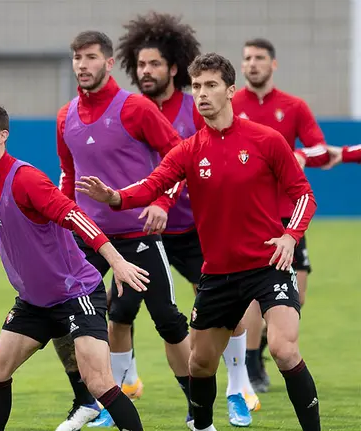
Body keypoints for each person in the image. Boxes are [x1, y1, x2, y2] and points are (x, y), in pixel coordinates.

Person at [76, 52, 321, 431]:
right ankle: (203, 426)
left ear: (231, 91)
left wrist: (290, 236)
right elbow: (153, 185)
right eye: (197, 86)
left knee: (284, 350)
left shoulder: (266, 140)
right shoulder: (189, 150)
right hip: (219, 275)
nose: (202, 93)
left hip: (268, 265)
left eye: (210, 85)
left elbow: (303, 193)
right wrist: (115, 197)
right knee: (200, 364)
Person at [0, 101, 148, 431]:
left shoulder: (25, 179)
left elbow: (74, 215)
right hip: (35, 303)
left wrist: (116, 261)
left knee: (99, 382)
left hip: (77, 295)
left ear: (2, 136)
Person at [113, 12, 259, 427]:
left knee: (225, 310)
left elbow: (192, 160)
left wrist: (164, 200)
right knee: (121, 311)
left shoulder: (195, 106)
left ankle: (239, 386)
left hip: (195, 229)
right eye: (140, 64)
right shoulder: (131, 110)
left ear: (174, 67)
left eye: (154, 64)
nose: (146, 71)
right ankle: (124, 385)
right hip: (143, 232)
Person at [54, 30, 192, 431]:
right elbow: (68, 176)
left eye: (91, 57)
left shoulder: (136, 108)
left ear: (109, 62)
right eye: (77, 57)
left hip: (137, 235)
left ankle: (197, 407)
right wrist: (61, 225)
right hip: (87, 237)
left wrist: (162, 203)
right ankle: (93, 401)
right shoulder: (65, 117)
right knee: (66, 315)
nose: (82, 65)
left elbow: (178, 157)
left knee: (167, 319)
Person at [232, 38, 328, 393]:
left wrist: (299, 155)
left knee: (295, 294)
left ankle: (263, 347)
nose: (252, 64)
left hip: (289, 214)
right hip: (249, 215)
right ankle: (252, 364)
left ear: (273, 64)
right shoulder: (233, 105)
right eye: (247, 58)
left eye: (259, 58)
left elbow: (320, 149)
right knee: (254, 295)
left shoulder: (293, 106)